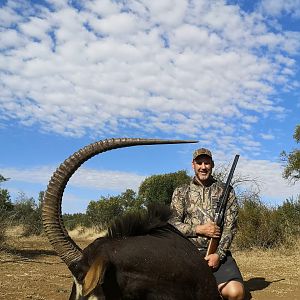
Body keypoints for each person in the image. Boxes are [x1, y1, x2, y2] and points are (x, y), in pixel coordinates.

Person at [169, 148, 245, 300]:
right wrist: (199, 229)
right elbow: (172, 224)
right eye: (199, 163)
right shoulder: (181, 191)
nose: (203, 167)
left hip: (217, 255)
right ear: (193, 165)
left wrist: (218, 254)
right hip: (187, 254)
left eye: (207, 163)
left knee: (236, 293)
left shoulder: (226, 190)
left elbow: (230, 228)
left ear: (212, 164)